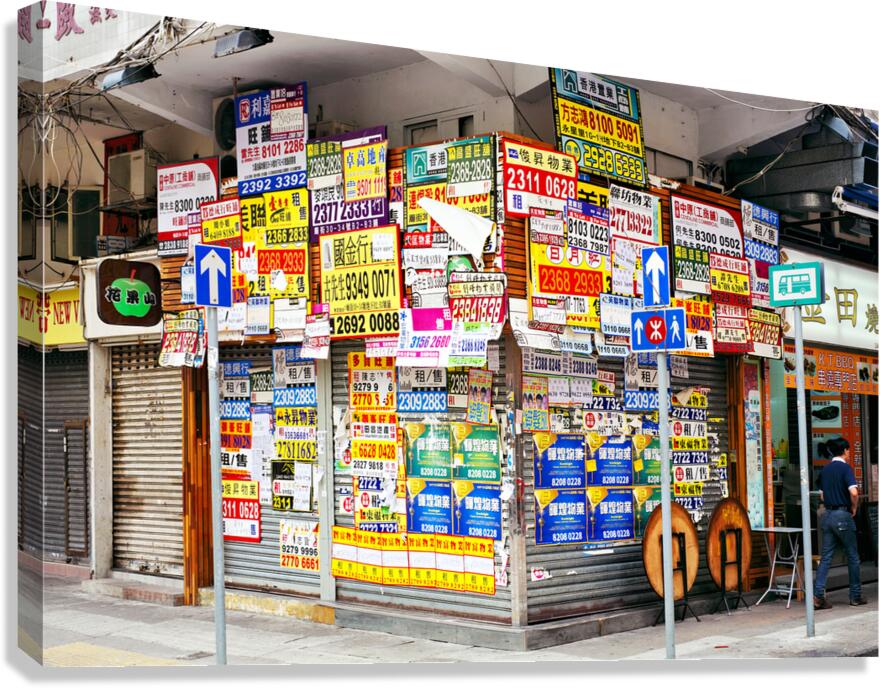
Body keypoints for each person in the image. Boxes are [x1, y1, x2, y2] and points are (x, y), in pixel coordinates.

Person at [813, 437, 866, 609]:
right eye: (849, 450)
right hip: (842, 514)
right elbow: (854, 492)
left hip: (827, 515)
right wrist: (854, 508)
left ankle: (818, 596)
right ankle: (855, 596)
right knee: (852, 556)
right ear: (844, 451)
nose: (850, 453)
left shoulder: (826, 469)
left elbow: (822, 495)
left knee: (826, 557)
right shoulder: (845, 468)